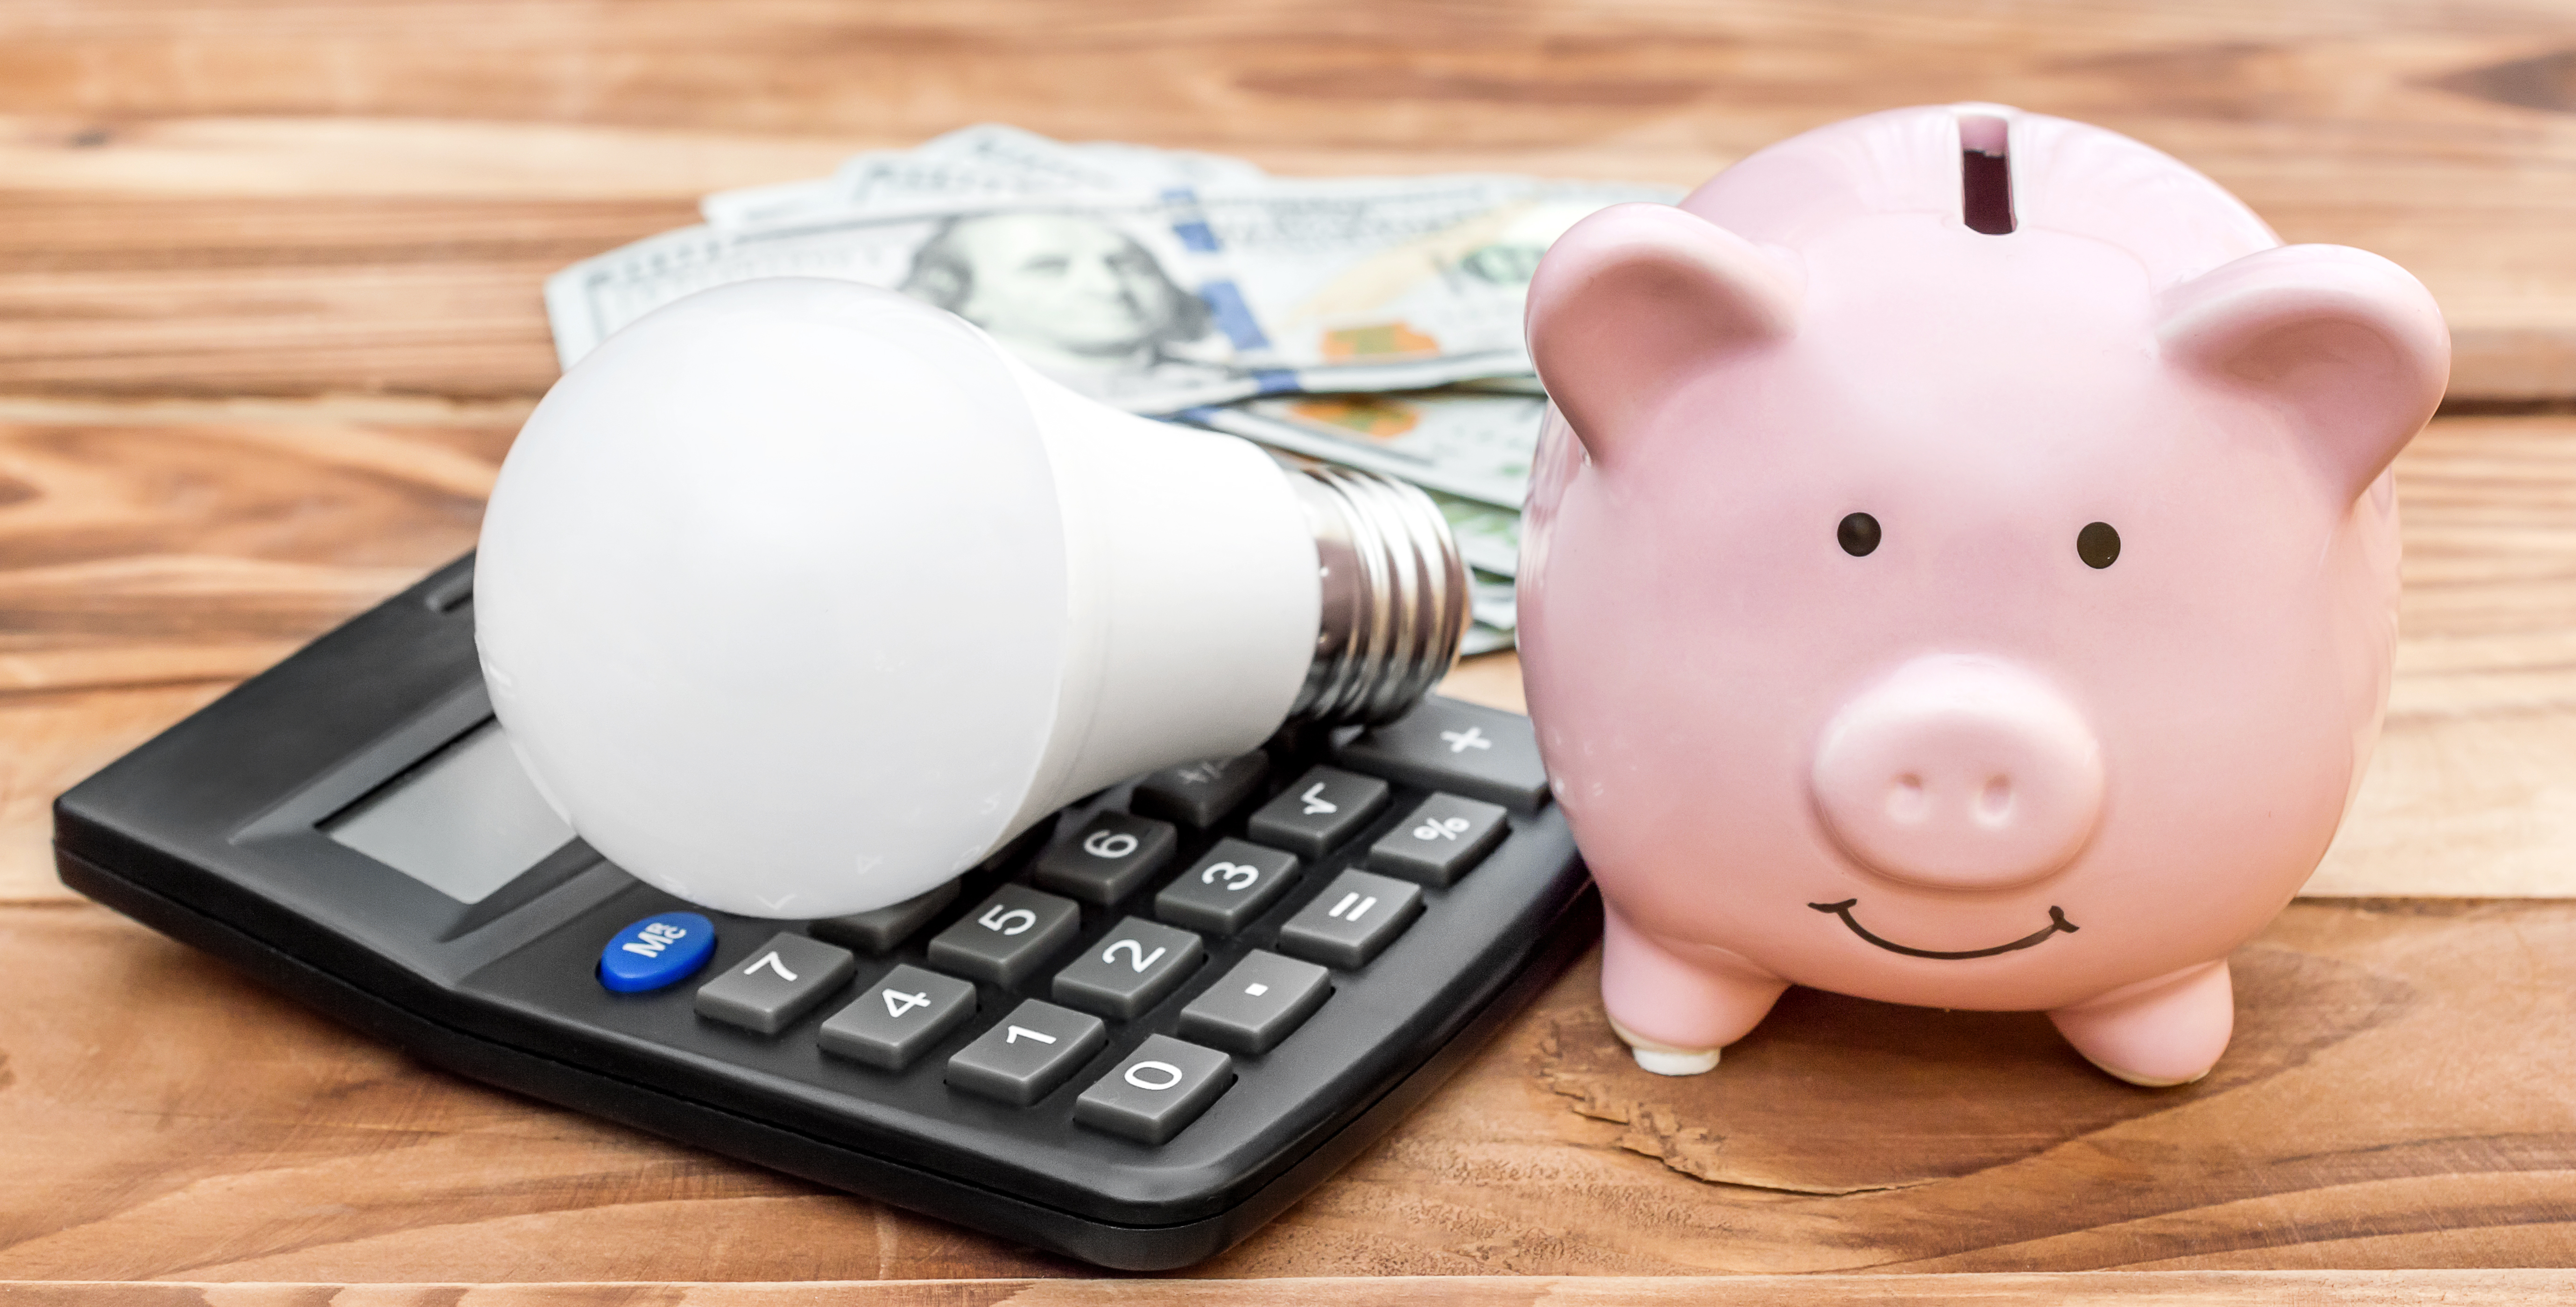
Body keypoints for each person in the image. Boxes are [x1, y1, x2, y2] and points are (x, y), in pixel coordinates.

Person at [899, 212, 1226, 380]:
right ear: (964, 295)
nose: (1108, 287)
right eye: (1049, 269)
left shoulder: (1222, 380)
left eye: (1127, 265)